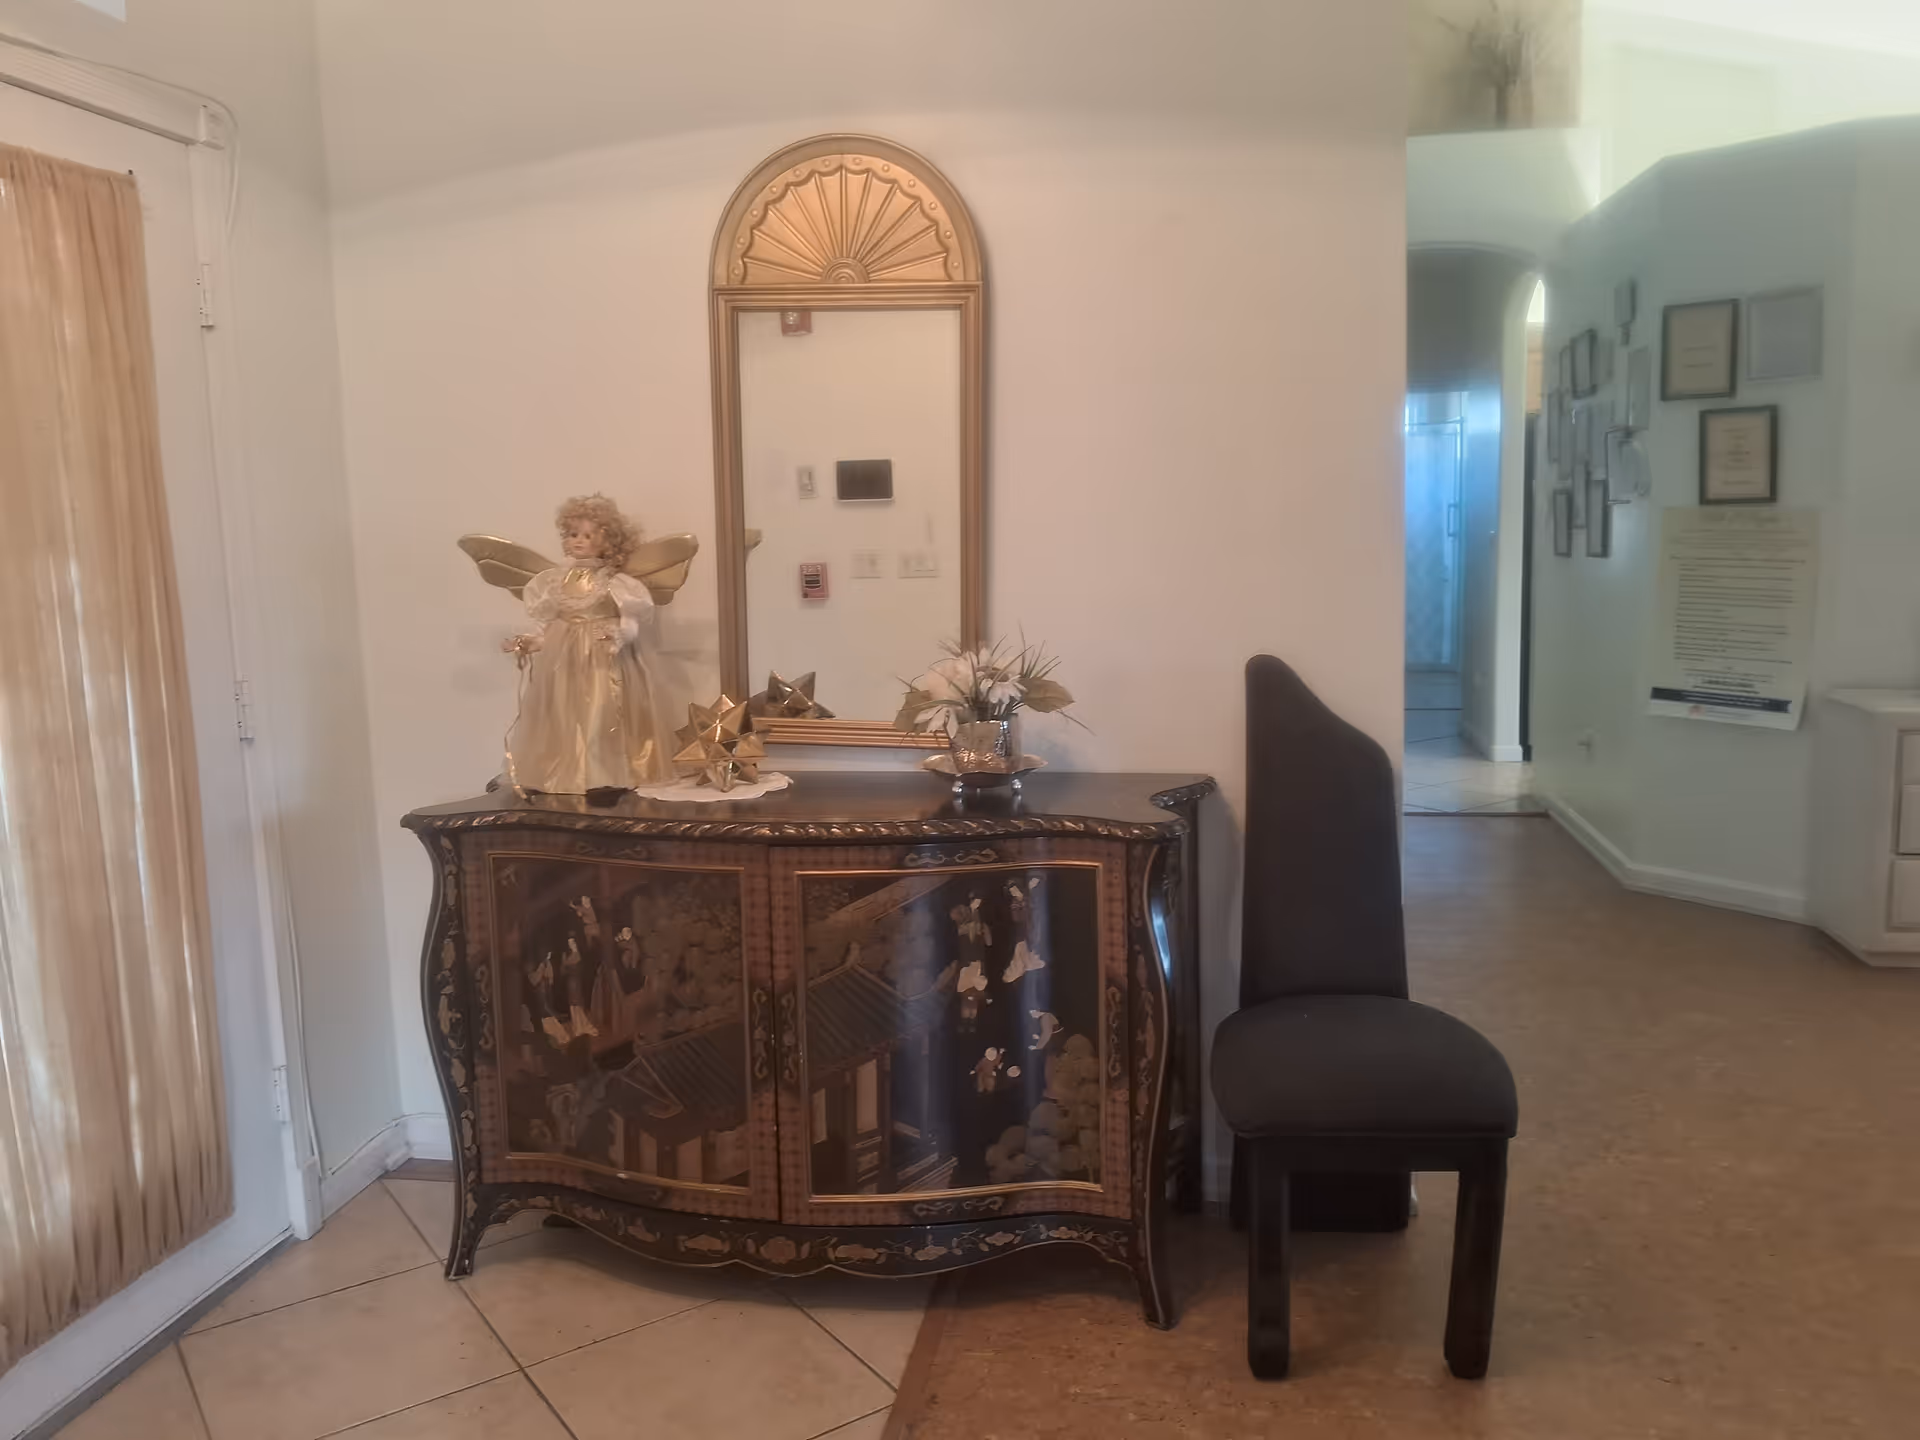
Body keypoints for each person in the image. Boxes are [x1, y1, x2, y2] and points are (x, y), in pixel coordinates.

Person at [502, 494, 673, 792]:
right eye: (573, 534)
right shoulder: (553, 581)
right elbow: (548, 622)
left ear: (608, 542)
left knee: (602, 714)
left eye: (587, 535)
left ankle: (604, 775)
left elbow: (631, 621)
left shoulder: (616, 582)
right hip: (564, 663)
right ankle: (563, 772)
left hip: (603, 658)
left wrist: (617, 635)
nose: (578, 541)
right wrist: (531, 642)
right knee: (563, 715)